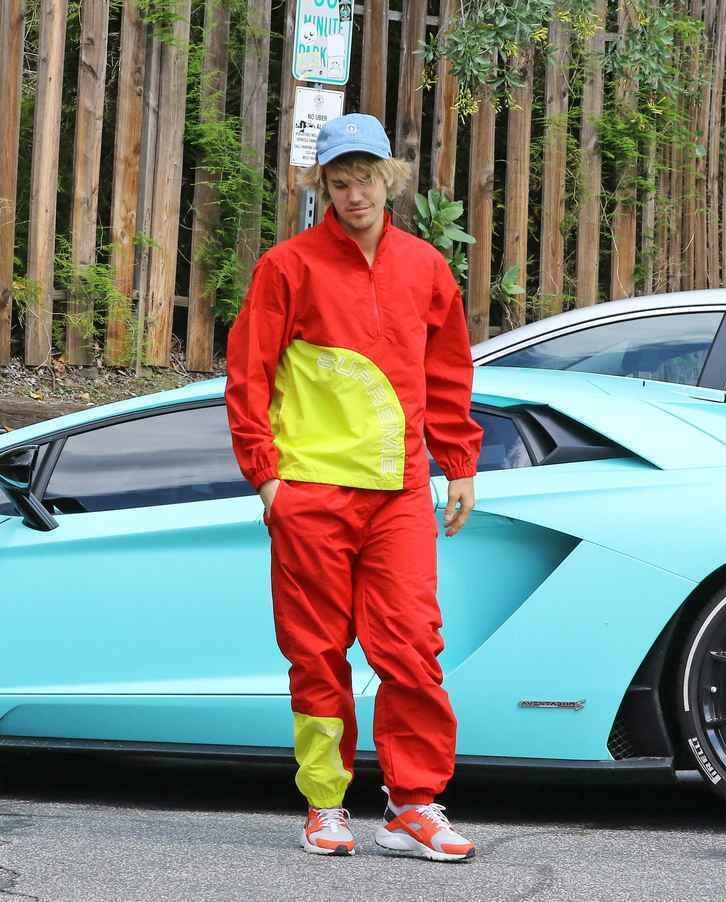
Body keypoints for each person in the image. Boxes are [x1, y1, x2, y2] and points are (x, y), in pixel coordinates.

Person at [224, 112, 483, 862]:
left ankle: (412, 807)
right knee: (316, 653)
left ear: (389, 179)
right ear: (324, 186)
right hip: (311, 492)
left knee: (414, 648)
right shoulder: (287, 267)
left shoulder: (425, 268)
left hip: (398, 492)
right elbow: (248, 376)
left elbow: (448, 372)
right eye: (339, 182)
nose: (354, 193)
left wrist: (460, 463)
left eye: (365, 178)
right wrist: (267, 481)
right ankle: (324, 806)